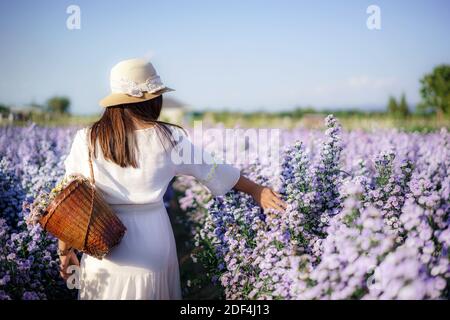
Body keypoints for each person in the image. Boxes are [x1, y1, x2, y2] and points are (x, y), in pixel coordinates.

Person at [58, 58, 286, 300]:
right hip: (153, 237)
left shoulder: (87, 139)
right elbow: (212, 169)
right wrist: (256, 190)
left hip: (101, 242)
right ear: (154, 100)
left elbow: (69, 199)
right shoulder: (169, 138)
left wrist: (65, 250)